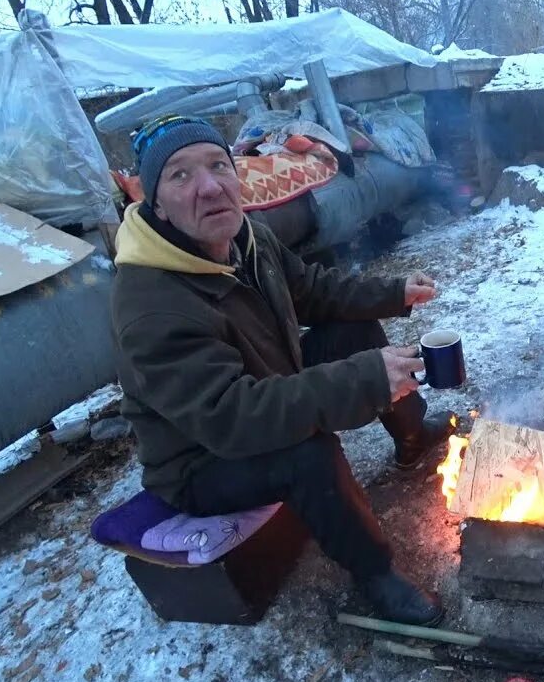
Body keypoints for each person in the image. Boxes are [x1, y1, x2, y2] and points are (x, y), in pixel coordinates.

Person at [110, 115, 452, 626]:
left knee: (353, 332)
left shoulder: (248, 237)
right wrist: (362, 380)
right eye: (180, 176)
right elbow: (233, 418)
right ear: (154, 201)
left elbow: (313, 291)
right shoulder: (152, 305)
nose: (209, 187)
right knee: (307, 454)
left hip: (263, 387)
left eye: (217, 166)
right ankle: (375, 575)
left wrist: (392, 293)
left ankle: (411, 438)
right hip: (203, 461)